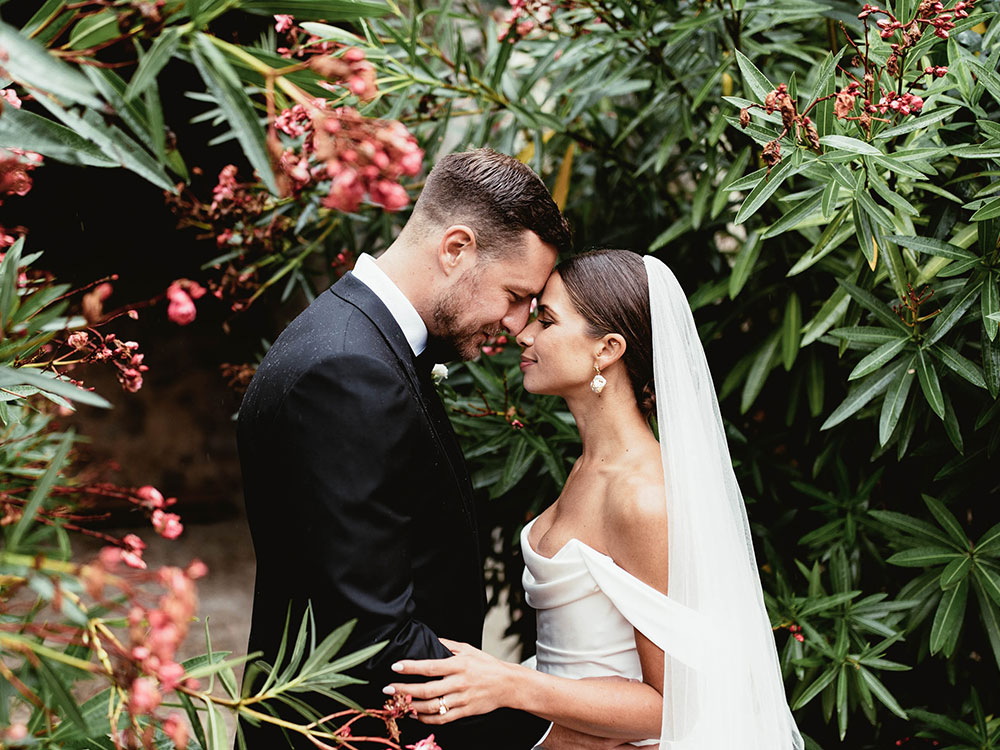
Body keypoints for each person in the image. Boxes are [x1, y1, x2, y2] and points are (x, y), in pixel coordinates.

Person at [236, 147, 590, 749]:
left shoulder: (351, 337)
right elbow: (372, 634)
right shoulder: (349, 371)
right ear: (456, 248)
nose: (516, 323)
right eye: (513, 294)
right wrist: (546, 731)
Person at [384, 249, 804, 749]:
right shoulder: (588, 467)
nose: (523, 334)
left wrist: (512, 685)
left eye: (546, 319)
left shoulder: (642, 498)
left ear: (606, 349)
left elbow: (677, 706)